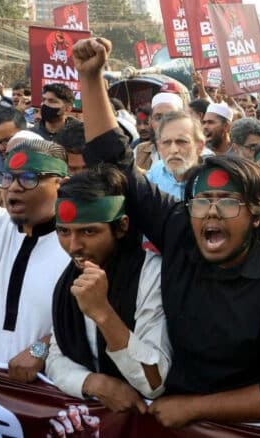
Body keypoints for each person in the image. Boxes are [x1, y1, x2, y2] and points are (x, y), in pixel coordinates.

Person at [73, 36, 260, 427]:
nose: (211, 212)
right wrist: (91, 79)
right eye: (202, 200)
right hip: (166, 415)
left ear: (256, 215)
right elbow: (115, 164)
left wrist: (196, 408)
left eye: (227, 202)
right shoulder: (180, 228)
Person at [46, 165, 171, 411]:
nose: (73, 247)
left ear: (122, 226)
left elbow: (154, 381)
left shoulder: (151, 274)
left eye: (89, 231)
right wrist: (93, 383)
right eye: (63, 232)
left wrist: (102, 312)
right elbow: (55, 357)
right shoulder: (68, 276)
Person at [0, 140, 71, 383]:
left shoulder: (78, 245)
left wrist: (40, 351)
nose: (13, 188)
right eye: (7, 177)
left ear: (60, 185)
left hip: (44, 396)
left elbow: (85, 323)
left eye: (29, 178)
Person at [145, 111, 206, 199]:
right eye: (166, 142)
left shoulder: (210, 180)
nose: (173, 150)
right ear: (158, 147)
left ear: (199, 146)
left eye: (181, 141)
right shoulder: (155, 173)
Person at [134, 92, 184, 171]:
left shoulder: (194, 154)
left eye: (170, 117)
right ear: (151, 121)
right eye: (158, 118)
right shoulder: (139, 150)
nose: (163, 123)